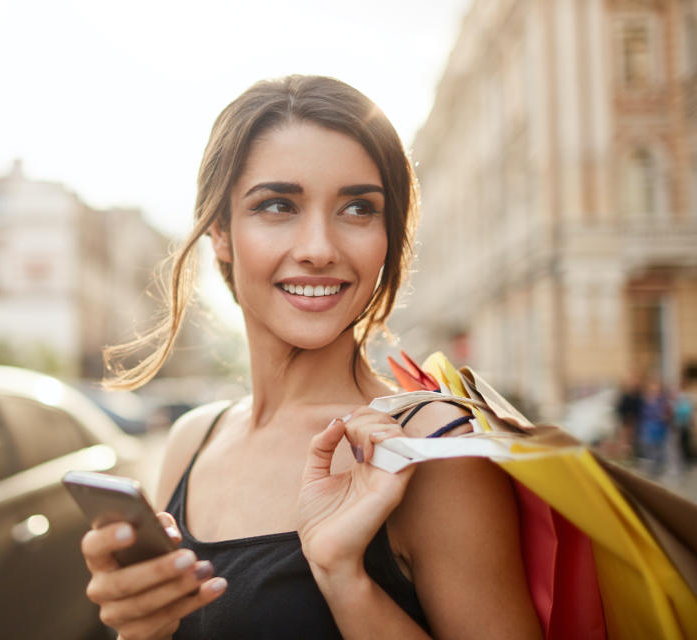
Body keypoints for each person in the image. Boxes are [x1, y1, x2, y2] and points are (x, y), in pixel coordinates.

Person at [80, 76, 541, 639]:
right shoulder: (192, 440)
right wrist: (140, 629)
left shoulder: (434, 451)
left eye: (357, 208)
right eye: (278, 205)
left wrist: (345, 579)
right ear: (221, 231)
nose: (320, 248)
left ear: (388, 234)